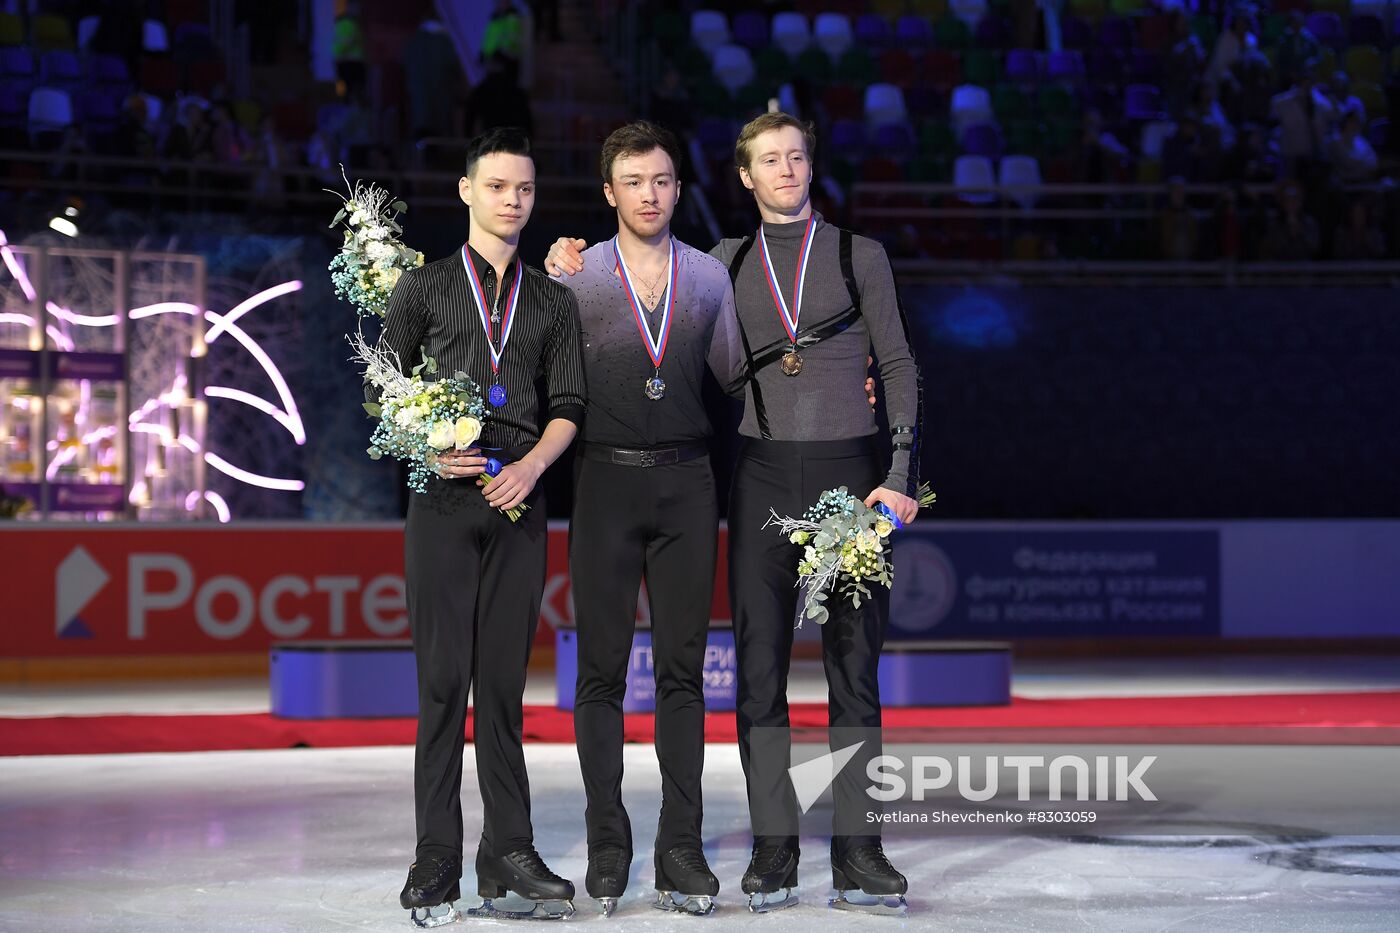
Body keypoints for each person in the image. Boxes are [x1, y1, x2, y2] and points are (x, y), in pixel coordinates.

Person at [379, 127, 586, 925]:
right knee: (442, 687)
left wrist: (532, 467)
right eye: (497, 186)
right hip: (443, 503)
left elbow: (569, 405)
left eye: (525, 189)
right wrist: (427, 452)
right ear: (466, 191)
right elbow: (388, 386)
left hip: (520, 502)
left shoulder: (552, 300)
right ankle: (436, 855)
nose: (512, 200)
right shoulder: (422, 288)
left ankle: (508, 849)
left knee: (502, 689)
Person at [541, 120, 742, 918]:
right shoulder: (576, 275)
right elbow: (535, 367)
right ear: (609, 192)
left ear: (678, 188)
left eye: (661, 180)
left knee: (682, 674)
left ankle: (681, 847)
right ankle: (607, 840)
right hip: (604, 482)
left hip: (691, 483)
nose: (650, 194)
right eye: (634, 181)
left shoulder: (708, 278)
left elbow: (735, 377)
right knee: (600, 673)